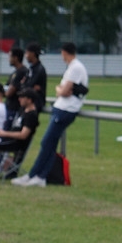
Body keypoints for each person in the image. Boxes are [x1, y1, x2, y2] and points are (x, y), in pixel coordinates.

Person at [12, 42, 87, 187]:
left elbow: (64, 91)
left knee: (47, 142)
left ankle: (37, 176)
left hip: (66, 109)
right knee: (49, 143)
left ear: (65, 52)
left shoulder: (75, 67)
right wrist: (62, 90)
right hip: (62, 108)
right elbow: (65, 90)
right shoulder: (74, 67)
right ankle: (36, 175)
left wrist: (59, 90)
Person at [4, 48, 29, 123]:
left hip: (14, 108)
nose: (9, 59)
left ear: (16, 58)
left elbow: (9, 92)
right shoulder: (15, 72)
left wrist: (1, 92)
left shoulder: (21, 72)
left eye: (10, 57)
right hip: (10, 107)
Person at [22, 43, 48, 112]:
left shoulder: (39, 69)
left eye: (27, 53)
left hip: (36, 102)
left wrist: (25, 84)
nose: (26, 56)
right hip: (29, 101)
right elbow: (24, 84)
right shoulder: (31, 68)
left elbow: (29, 85)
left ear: (33, 54)